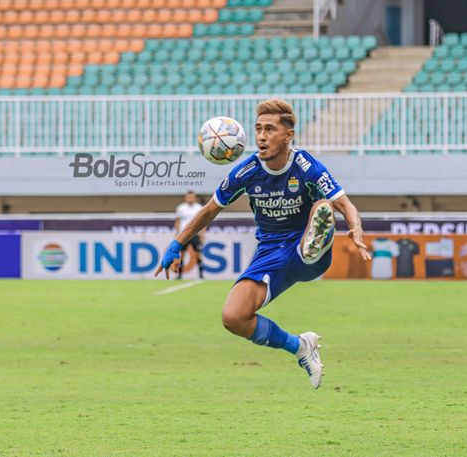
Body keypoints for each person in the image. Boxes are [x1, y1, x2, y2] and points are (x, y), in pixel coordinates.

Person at [155, 98, 370, 389]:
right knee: (233, 317)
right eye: (258, 129)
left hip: (304, 249)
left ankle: (317, 238)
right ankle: (301, 347)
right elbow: (209, 210)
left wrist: (355, 229)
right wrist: (177, 244)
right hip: (269, 252)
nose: (261, 136)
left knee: (324, 203)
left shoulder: (306, 166)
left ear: (288, 135)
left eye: (269, 129)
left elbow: (344, 203)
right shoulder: (246, 172)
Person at [174, 190, 205, 279]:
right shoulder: (181, 208)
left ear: (195, 198)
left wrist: (202, 234)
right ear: (185, 198)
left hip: (195, 234)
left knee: (198, 254)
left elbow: (203, 221)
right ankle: (179, 275)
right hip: (184, 234)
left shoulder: (199, 208)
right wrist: (177, 233)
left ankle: (201, 275)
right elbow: (177, 221)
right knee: (182, 255)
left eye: (192, 197)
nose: (190, 199)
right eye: (188, 197)